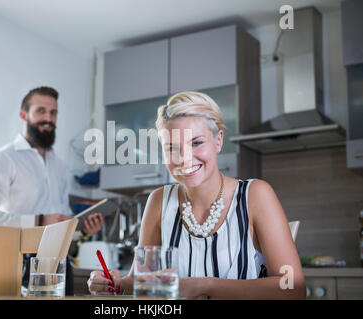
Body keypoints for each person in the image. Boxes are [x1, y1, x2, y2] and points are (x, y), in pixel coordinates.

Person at [87, 91, 306, 299]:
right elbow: (140, 280)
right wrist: (113, 283)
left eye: (197, 143)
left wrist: (204, 285)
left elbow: (292, 288)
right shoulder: (158, 201)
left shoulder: (255, 195)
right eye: (172, 148)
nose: (184, 158)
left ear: (218, 140)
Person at [0, 86, 105, 292]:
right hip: (16, 265)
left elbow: (60, 220)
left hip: (60, 265)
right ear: (24, 115)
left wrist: (83, 230)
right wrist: (38, 221)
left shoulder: (60, 167)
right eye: (41, 111)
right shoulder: (1, 159)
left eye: (53, 113)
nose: (48, 119)